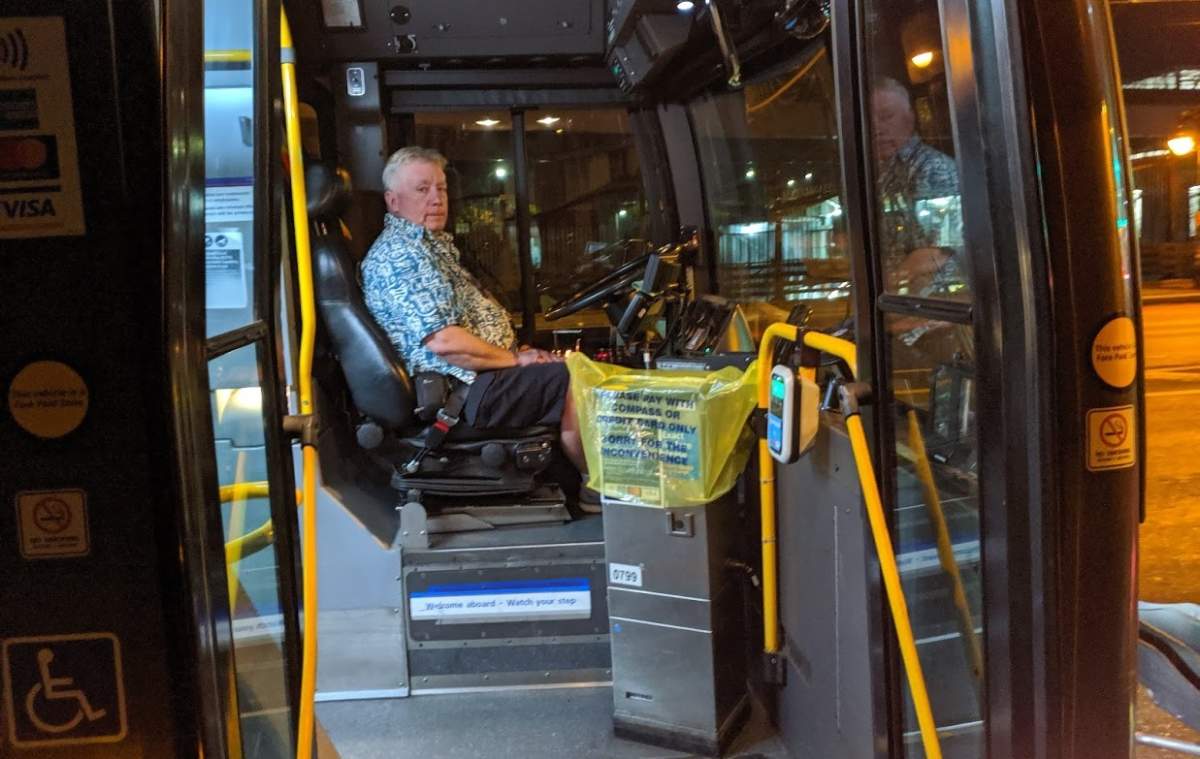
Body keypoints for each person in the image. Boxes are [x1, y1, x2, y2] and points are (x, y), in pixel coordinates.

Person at [360, 146, 588, 483]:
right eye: (423, 190)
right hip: (464, 392)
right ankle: (595, 486)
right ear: (394, 201)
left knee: (570, 366)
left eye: (441, 188)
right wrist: (514, 361)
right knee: (577, 379)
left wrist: (515, 355)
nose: (437, 199)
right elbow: (445, 342)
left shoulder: (428, 245)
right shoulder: (401, 256)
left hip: (479, 378)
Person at [870, 76, 965, 298]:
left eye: (886, 116)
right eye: (870, 119)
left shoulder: (933, 168)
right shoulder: (883, 173)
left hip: (936, 309)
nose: (877, 128)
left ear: (910, 118)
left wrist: (885, 285)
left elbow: (938, 254)